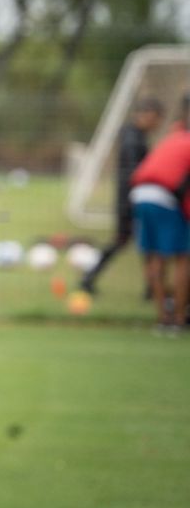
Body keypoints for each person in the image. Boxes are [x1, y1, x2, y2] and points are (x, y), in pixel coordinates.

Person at [79, 98, 164, 298]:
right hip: (130, 200)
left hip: (129, 198)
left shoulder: (134, 135)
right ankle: (89, 277)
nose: (156, 124)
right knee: (131, 241)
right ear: (147, 115)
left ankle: (150, 288)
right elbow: (134, 172)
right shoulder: (132, 139)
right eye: (156, 119)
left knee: (138, 242)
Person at [128, 125, 190, 333]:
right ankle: (179, 319)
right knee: (183, 257)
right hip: (165, 197)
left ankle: (163, 319)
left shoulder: (172, 138)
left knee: (155, 256)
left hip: (139, 194)